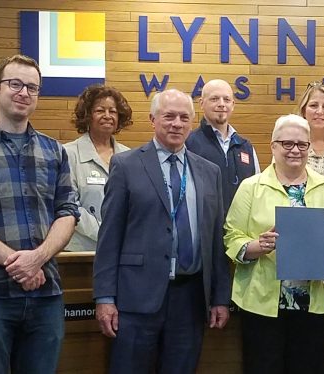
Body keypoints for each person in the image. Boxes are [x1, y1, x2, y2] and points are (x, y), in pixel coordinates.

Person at [93, 89, 231, 373]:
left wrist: (220, 297)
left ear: (192, 123)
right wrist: (105, 298)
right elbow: (109, 238)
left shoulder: (209, 171)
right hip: (137, 297)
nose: (176, 124)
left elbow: (215, 239)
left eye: (184, 117)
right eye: (169, 116)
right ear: (152, 119)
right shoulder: (126, 165)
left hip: (190, 298)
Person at [0, 54, 78, 373]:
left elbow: (67, 213)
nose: (24, 92)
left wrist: (37, 259)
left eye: (33, 88)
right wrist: (20, 262)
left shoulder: (55, 151)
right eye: (15, 84)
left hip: (45, 292)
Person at [224, 114, 324, 374]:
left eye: (302, 145)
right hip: (261, 303)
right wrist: (256, 246)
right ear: (273, 146)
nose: (295, 150)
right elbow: (231, 235)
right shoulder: (251, 187)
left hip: (314, 303)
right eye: (287, 143)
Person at [64, 84, 132, 251]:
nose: (108, 116)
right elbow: (70, 205)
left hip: (122, 250)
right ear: (87, 116)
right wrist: (106, 233)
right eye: (100, 111)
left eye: (113, 111)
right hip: (81, 253)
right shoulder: (68, 153)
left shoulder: (129, 155)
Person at [186, 79, 260, 210]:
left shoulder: (246, 147)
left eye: (226, 100)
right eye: (214, 99)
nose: (221, 104)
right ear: (202, 104)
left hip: (239, 229)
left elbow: (257, 192)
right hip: (205, 228)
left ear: (233, 104)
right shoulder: (188, 144)